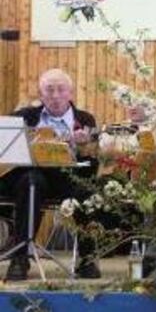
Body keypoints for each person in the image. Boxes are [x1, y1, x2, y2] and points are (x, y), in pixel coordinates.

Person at [2, 68, 100, 280]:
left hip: (69, 178)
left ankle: (87, 258)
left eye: (61, 89)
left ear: (70, 93)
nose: (55, 96)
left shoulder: (85, 119)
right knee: (30, 182)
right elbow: (7, 157)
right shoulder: (24, 117)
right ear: (40, 94)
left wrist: (84, 149)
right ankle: (20, 257)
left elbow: (92, 167)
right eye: (49, 90)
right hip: (34, 177)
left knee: (87, 189)